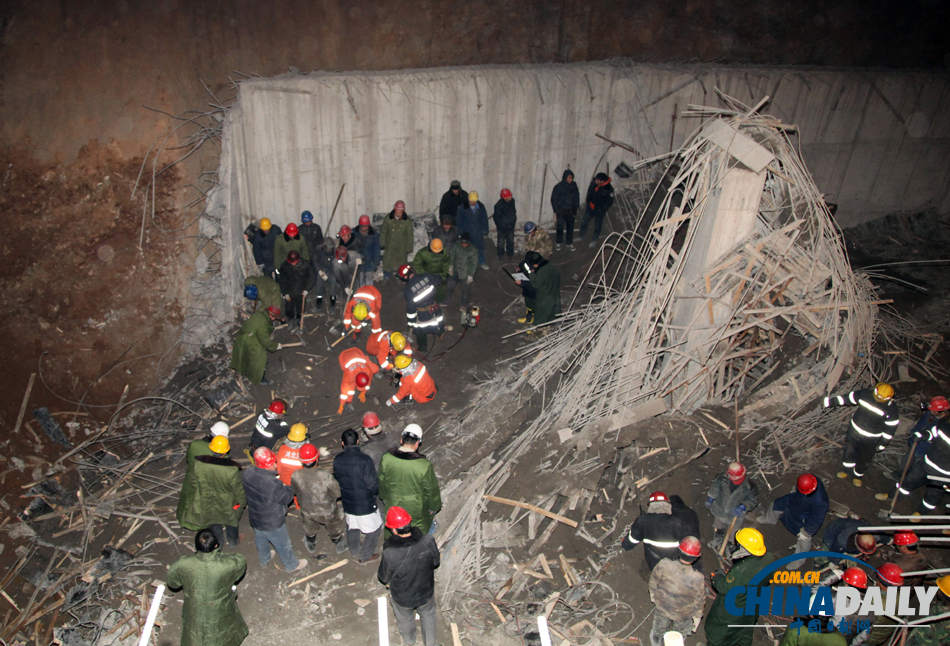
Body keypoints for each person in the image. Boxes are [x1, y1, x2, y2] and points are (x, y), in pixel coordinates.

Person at [166, 529, 248, 646]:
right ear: (215, 545)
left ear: (196, 546)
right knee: (221, 629)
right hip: (220, 606)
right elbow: (240, 561)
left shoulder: (183, 564)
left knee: (195, 631)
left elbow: (173, 583)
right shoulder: (228, 564)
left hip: (194, 606)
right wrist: (219, 555)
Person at [377, 506, 441, 646]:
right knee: (428, 615)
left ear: (393, 529)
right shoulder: (428, 540)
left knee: (404, 618)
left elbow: (383, 577)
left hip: (402, 596)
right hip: (425, 591)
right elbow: (436, 562)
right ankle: (430, 643)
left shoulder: (390, 553)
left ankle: (410, 640)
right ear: (409, 523)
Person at [876, 396, 950, 516]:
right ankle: (892, 495)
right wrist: (923, 435)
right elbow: (932, 433)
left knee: (933, 495)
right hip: (926, 463)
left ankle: (920, 512)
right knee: (908, 480)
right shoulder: (945, 427)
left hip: (943, 474)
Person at [704, 528, 775, 646]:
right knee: (745, 630)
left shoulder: (742, 570)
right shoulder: (769, 558)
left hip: (735, 608)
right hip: (754, 602)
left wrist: (716, 577)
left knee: (720, 633)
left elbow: (724, 588)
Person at [242, 447, 308, 572]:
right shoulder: (272, 485)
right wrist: (288, 486)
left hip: (256, 516)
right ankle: (291, 565)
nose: (275, 465)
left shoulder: (248, 473)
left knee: (260, 537)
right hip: (272, 521)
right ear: (267, 465)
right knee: (283, 544)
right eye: (273, 463)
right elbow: (287, 497)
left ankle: (265, 557)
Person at [824, 382, 899, 487]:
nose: (877, 399)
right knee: (849, 453)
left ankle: (857, 475)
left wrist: (883, 444)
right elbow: (847, 398)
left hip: (870, 441)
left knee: (864, 459)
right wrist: (828, 402)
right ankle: (846, 470)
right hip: (854, 434)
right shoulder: (865, 395)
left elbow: (890, 429)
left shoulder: (891, 410)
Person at [177, 434, 245, 548]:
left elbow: (193, 482)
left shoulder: (199, 465)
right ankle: (233, 541)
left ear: (211, 448)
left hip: (206, 499)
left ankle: (219, 544)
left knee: (213, 521)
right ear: (225, 452)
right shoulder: (231, 470)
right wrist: (242, 503)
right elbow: (238, 490)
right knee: (231, 521)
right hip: (226, 502)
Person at [756, 473, 829, 570]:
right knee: (776, 504)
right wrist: (796, 491)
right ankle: (769, 519)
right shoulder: (809, 479)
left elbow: (816, 519)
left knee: (805, 539)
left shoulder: (820, 502)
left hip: (804, 514)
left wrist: (807, 532)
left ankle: (799, 560)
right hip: (794, 501)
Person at [378, 424, 442, 535]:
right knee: (419, 531)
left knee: (396, 531)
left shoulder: (386, 459)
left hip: (394, 503)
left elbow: (381, 482)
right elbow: (431, 490)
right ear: (417, 443)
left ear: (401, 440)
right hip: (416, 508)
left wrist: (384, 498)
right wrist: (434, 507)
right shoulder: (424, 465)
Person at [333, 428, 383, 564]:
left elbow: (337, 477)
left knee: (352, 525)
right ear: (358, 441)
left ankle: (354, 549)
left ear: (343, 443)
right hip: (364, 503)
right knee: (375, 528)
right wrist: (376, 492)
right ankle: (365, 556)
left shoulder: (337, 460)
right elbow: (372, 484)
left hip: (348, 501)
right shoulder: (365, 460)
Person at [291, 443, 348, 558]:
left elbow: (295, 491)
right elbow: (338, 493)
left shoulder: (296, 475)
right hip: (327, 510)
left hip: (307, 509)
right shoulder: (324, 475)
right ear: (317, 459)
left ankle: (310, 543)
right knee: (334, 525)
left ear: (301, 461)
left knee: (309, 526)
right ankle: (338, 543)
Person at [648, 537, 705, 646]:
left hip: (663, 606)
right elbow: (699, 600)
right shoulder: (697, 578)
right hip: (683, 614)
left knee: (659, 628)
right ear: (696, 558)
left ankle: (657, 640)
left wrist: (653, 594)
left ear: (679, 551)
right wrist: (697, 616)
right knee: (680, 633)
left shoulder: (664, 564)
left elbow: (653, 581)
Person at [176, 421, 230, 529]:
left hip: (192, 478)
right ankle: (198, 525)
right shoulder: (221, 456)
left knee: (187, 499)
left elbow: (188, 459)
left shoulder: (195, 444)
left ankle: (183, 519)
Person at [622, 491, 686, 576]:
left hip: (655, 565)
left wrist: (624, 545)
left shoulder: (642, 521)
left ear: (651, 505)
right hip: (674, 567)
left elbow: (631, 541)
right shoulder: (677, 522)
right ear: (667, 504)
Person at [888, 395, 949, 481]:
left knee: (916, 469)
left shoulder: (944, 426)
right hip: (916, 442)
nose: (930, 410)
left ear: (940, 411)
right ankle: (897, 475)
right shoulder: (929, 413)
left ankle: (907, 482)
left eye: (933, 410)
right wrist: (913, 433)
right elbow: (921, 423)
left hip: (926, 450)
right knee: (906, 461)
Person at [706, 462, 758, 555]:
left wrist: (743, 506)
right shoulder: (723, 478)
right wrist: (711, 498)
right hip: (720, 508)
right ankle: (719, 537)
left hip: (735, 514)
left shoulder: (750, 486)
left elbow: (752, 500)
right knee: (718, 524)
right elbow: (715, 488)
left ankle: (730, 544)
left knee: (733, 533)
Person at [229, 305, 282, 386]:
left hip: (245, 336)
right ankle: (260, 379)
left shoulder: (259, 315)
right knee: (260, 359)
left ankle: (245, 370)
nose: (274, 319)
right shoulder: (263, 324)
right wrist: (275, 346)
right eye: (274, 317)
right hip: (250, 341)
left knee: (246, 356)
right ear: (270, 315)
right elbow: (265, 341)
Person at [852, 564, 904, 646]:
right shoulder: (902, 596)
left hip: (868, 638)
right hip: (882, 635)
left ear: (880, 581)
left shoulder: (872, 602)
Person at [399, 264, 444, 352]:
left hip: (423, 314)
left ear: (404, 277)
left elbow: (411, 307)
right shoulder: (426, 276)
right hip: (435, 308)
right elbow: (439, 280)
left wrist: (411, 321)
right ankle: (441, 332)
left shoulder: (408, 290)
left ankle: (422, 347)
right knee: (438, 320)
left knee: (419, 328)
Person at [515, 251, 561, 326]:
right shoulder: (530, 261)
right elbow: (524, 263)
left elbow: (535, 284)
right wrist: (519, 267)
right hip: (528, 291)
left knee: (536, 307)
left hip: (535, 292)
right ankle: (529, 318)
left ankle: (535, 321)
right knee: (529, 304)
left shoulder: (541, 271)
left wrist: (522, 283)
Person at [906, 575, 950, 646]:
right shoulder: (945, 607)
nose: (937, 589)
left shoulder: (941, 622)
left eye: (938, 588)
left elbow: (924, 640)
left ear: (944, 595)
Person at [276, 250, 314, 328]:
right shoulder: (285, 266)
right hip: (290, 290)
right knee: (289, 307)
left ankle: (299, 318)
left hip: (301, 290)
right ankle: (291, 319)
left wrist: (307, 289)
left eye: (294, 262)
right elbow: (282, 280)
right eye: (291, 262)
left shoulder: (305, 265)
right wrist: (285, 292)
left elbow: (311, 277)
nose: (293, 264)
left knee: (300, 306)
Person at [337, 347, 379, 414]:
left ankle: (348, 402)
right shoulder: (349, 377)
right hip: (343, 356)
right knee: (350, 390)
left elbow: (368, 382)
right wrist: (341, 404)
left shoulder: (367, 372)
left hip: (357, 352)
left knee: (375, 369)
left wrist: (363, 392)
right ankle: (348, 403)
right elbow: (344, 391)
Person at [579, 172, 615, 248]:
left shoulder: (609, 189)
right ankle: (581, 236)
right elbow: (590, 191)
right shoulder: (594, 183)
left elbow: (609, 202)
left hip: (599, 211)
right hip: (590, 208)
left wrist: (602, 210)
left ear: (602, 181)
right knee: (584, 221)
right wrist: (588, 201)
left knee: (597, 226)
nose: (595, 181)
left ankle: (593, 240)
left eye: (597, 180)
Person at [379, 200, 414, 277]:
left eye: (400, 212)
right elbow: (384, 231)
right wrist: (382, 243)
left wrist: (409, 248)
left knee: (401, 263)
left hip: (401, 246)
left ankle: (400, 277)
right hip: (390, 245)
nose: (398, 214)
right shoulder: (388, 219)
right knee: (387, 261)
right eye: (397, 212)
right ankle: (386, 277)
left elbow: (410, 235)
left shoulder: (407, 221)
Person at [456, 190, 490, 269]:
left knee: (479, 248)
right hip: (466, 231)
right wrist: (461, 232)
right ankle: (467, 264)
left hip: (478, 231)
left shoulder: (481, 207)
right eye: (471, 201)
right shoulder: (462, 207)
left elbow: (484, 219)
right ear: (468, 199)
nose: (473, 203)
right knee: (467, 248)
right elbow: (459, 220)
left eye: (474, 201)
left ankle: (481, 262)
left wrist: (485, 231)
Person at [445, 232, 478, 311]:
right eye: (462, 243)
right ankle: (445, 300)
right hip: (456, 271)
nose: (464, 245)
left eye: (466, 243)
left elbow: (474, 264)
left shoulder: (473, 251)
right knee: (450, 286)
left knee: (465, 289)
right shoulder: (457, 245)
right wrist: (451, 266)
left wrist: (471, 275)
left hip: (465, 273)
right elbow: (452, 255)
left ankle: (464, 304)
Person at [413, 238, 451, 303]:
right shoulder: (422, 253)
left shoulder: (444, 252)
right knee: (426, 292)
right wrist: (425, 275)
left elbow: (446, 262)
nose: (436, 253)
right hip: (427, 275)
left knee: (440, 290)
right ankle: (427, 303)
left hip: (439, 274)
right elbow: (417, 265)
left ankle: (439, 302)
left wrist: (444, 274)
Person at [550, 169, 580, 251]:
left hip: (571, 211)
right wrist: (557, 211)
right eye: (569, 178)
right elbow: (554, 199)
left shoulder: (574, 185)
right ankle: (559, 242)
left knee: (570, 228)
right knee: (560, 227)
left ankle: (569, 242)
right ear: (565, 177)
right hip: (561, 212)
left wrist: (576, 207)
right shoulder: (558, 187)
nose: (571, 180)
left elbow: (577, 196)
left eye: (572, 178)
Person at [311, 239, 341, 312]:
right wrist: (320, 270)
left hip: (331, 272)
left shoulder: (335, 252)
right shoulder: (318, 249)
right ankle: (318, 305)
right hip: (321, 271)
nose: (328, 249)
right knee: (319, 287)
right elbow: (315, 260)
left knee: (333, 287)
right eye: (327, 248)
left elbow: (336, 264)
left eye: (330, 248)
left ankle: (332, 306)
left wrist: (330, 273)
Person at [353, 215, 381, 287]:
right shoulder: (354, 233)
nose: (364, 228)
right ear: (360, 225)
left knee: (369, 280)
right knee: (360, 280)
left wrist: (376, 262)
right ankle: (361, 296)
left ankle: (369, 295)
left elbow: (376, 248)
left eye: (366, 226)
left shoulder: (374, 234)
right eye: (363, 226)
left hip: (370, 261)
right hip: (359, 260)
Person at [492, 188, 517, 260]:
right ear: (505, 197)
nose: (510, 197)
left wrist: (513, 222)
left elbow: (513, 212)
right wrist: (501, 226)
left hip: (511, 226)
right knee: (501, 242)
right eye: (509, 196)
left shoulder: (512, 201)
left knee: (511, 241)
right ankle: (500, 255)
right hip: (502, 228)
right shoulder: (499, 205)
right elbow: (496, 217)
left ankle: (510, 254)